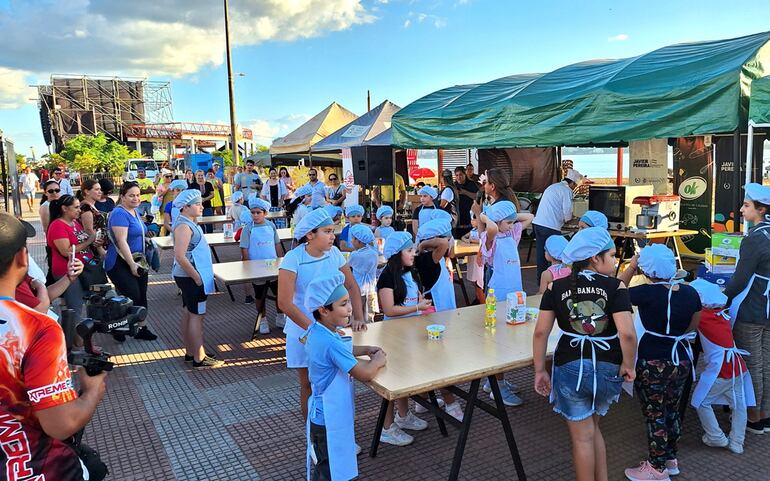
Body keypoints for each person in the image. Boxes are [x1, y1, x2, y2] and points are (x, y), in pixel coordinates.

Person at [0, 213, 107, 481]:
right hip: (34, 468)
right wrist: (93, 390)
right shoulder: (36, 328)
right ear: (23, 258)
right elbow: (61, 424)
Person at [533, 227, 636, 481]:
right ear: (594, 258)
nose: (615, 260)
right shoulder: (616, 287)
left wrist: (538, 370)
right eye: (611, 255)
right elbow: (628, 334)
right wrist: (628, 364)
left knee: (582, 437)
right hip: (607, 366)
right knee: (592, 430)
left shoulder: (555, 287)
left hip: (570, 366)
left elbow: (540, 333)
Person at [618, 245, 700, 481]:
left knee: (655, 414)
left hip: (652, 359)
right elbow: (693, 325)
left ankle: (656, 468)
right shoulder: (690, 293)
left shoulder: (645, 292)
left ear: (646, 269)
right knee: (672, 410)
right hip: (681, 358)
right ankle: (670, 459)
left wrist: (631, 266)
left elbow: (617, 292)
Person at [277, 209, 366, 421]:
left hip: (334, 329)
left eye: (332, 231)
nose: (332, 236)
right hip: (303, 331)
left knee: (337, 380)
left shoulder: (334, 254)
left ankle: (337, 432)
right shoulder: (293, 259)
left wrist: (359, 316)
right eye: (327, 231)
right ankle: (316, 438)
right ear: (310, 235)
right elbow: (284, 303)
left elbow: (352, 286)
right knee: (309, 383)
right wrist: (315, 329)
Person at [304, 271, 387, 481]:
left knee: (329, 466)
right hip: (329, 419)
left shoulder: (317, 330)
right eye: (343, 304)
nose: (350, 308)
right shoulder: (331, 341)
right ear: (323, 310)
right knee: (331, 471)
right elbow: (365, 374)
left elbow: (344, 348)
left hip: (322, 414)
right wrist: (378, 359)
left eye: (349, 301)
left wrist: (366, 348)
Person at [376, 232, 435, 445]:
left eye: (413, 249)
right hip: (393, 334)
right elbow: (390, 309)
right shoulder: (387, 276)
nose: (414, 253)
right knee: (391, 380)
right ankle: (386, 427)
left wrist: (420, 304)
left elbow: (414, 298)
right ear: (396, 253)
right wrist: (417, 307)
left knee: (405, 376)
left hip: (410, 331)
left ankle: (404, 416)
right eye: (409, 250)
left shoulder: (410, 272)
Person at [724, 182, 770, 435]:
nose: (742, 210)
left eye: (746, 205)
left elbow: (740, 279)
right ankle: (765, 415)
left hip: (753, 308)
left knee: (752, 363)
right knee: (767, 361)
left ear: (761, 210)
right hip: (768, 308)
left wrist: (723, 298)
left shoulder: (754, 239)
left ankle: (753, 417)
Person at [479, 200, 534, 406]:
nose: (513, 225)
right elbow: (492, 227)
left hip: (514, 292)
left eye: (513, 223)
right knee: (498, 339)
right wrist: (487, 217)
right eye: (509, 222)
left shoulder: (511, 235)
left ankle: (493, 381)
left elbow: (530, 217)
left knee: (509, 337)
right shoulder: (489, 237)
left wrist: (509, 215)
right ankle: (498, 388)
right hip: (498, 293)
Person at [690, 279, 753, 456]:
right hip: (738, 367)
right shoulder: (721, 314)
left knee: (700, 401)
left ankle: (716, 436)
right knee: (739, 405)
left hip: (721, 370)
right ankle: (737, 442)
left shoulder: (701, 316)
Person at [171, 189, 223, 369]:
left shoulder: (186, 222)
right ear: (185, 207)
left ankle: (191, 351)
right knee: (196, 316)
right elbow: (180, 256)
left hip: (188, 276)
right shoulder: (184, 226)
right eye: (197, 204)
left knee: (189, 312)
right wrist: (197, 277)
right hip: (191, 277)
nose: (202, 206)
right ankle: (199, 357)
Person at [105, 182, 157, 342]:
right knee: (131, 294)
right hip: (120, 261)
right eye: (131, 195)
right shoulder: (119, 213)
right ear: (122, 196)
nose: (136, 198)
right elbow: (121, 241)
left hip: (138, 259)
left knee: (141, 295)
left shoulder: (135, 211)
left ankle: (141, 327)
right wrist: (131, 264)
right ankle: (117, 326)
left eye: (137, 195)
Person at [47, 195, 101, 328]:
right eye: (76, 207)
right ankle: (75, 344)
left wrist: (94, 242)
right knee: (75, 307)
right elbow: (66, 251)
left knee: (82, 304)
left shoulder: (74, 222)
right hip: (67, 271)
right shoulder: (57, 226)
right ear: (64, 208)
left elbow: (80, 242)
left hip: (83, 269)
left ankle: (78, 340)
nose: (79, 210)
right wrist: (89, 241)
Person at [240, 196, 283, 335]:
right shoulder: (248, 229)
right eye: (253, 212)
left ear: (265, 213)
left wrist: (281, 260)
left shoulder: (271, 226)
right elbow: (244, 248)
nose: (255, 215)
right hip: (256, 267)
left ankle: (280, 316)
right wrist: (248, 265)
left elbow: (277, 244)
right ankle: (262, 319)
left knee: (279, 293)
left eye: (258, 212)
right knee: (260, 295)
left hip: (272, 265)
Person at [533, 168, 585, 283]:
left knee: (541, 255)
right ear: (572, 183)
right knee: (555, 255)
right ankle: (555, 281)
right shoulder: (567, 190)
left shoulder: (553, 187)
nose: (574, 188)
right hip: (550, 227)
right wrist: (574, 219)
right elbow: (567, 214)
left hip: (538, 224)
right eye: (574, 185)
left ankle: (541, 280)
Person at [415, 218, 456, 312]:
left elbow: (451, 253)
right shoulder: (427, 258)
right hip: (435, 307)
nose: (449, 242)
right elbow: (444, 243)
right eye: (448, 239)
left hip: (443, 307)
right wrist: (423, 244)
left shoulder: (437, 257)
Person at [347, 223, 379, 324]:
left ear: (359, 241)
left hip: (358, 287)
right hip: (371, 288)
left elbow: (347, 266)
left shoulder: (355, 255)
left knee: (357, 312)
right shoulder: (374, 253)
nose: (351, 241)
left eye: (353, 239)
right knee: (369, 313)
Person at [78, 180, 109, 253]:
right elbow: (89, 230)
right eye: (96, 189)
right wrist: (100, 249)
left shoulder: (91, 206)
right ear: (87, 191)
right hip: (94, 249)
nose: (100, 192)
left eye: (100, 189)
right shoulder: (86, 208)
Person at [462, 212, 485, 304]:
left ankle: (482, 300)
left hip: (478, 256)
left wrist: (471, 240)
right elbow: (464, 237)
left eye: (474, 219)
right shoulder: (473, 230)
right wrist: (466, 240)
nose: (472, 221)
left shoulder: (482, 230)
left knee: (478, 280)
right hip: (471, 256)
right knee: (473, 279)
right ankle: (477, 297)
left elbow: (482, 240)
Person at [453, 166, 479, 239]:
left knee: (468, 238)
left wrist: (464, 192)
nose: (459, 177)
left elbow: (477, 196)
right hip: (458, 214)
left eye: (461, 175)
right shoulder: (454, 185)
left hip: (469, 213)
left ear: (465, 174)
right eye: (457, 175)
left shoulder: (471, 184)